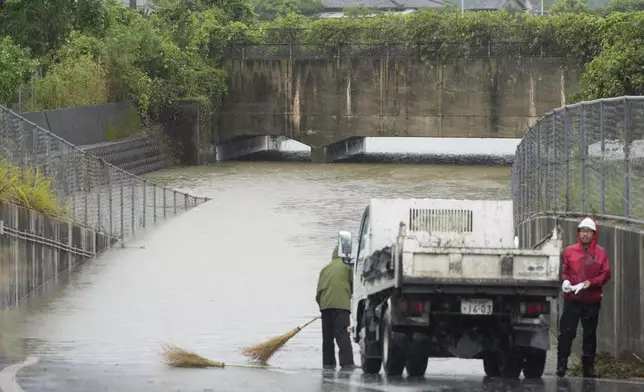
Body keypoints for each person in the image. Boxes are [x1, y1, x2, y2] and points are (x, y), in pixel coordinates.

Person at [556, 217, 611, 378]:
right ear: (578, 233)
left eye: (589, 232)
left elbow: (606, 274)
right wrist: (565, 281)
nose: (585, 234)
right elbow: (563, 270)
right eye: (583, 231)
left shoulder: (600, 253)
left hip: (591, 300)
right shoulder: (569, 251)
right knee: (567, 332)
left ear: (594, 234)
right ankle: (561, 365)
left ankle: (588, 368)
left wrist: (591, 283)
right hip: (572, 299)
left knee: (589, 334)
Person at [316, 246, 355, 370]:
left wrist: (322, 307)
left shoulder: (324, 270)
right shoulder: (348, 267)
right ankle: (347, 364)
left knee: (327, 337)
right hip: (341, 306)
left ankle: (328, 364)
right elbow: (354, 285)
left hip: (325, 307)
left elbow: (318, 293)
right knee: (343, 334)